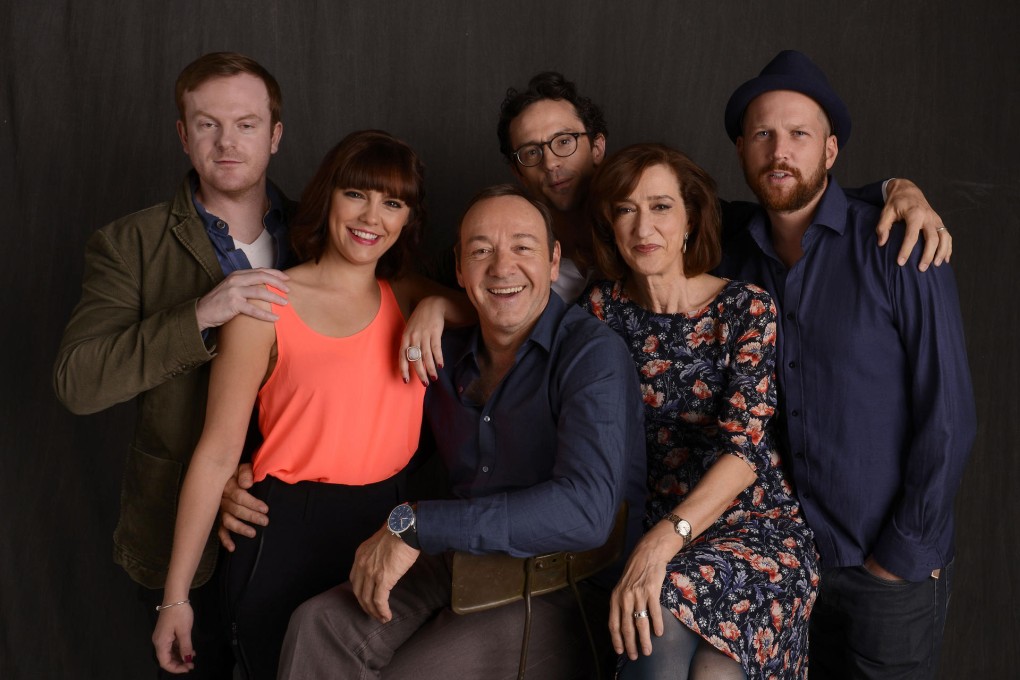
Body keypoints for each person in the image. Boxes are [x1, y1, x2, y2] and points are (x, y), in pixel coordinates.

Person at [274, 185, 647, 679]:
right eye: (480, 251)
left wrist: (416, 524)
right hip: (459, 560)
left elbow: (584, 512)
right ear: (459, 269)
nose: (501, 267)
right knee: (318, 624)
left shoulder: (591, 353)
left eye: (522, 247)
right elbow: (364, 433)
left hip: (562, 580)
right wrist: (255, 472)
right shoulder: (442, 351)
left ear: (554, 261)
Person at [150, 129, 472, 678]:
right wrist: (175, 598)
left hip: (387, 526)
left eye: (392, 203)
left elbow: (487, 307)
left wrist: (440, 307)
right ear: (327, 197)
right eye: (356, 194)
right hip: (285, 531)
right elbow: (217, 451)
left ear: (406, 220)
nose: (371, 216)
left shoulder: (411, 295)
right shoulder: (264, 303)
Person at [718, 50, 976, 679]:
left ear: (830, 152)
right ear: (741, 151)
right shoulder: (728, 253)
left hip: (886, 571)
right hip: (784, 569)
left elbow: (949, 415)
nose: (781, 150)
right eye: (763, 134)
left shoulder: (900, 244)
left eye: (800, 134)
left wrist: (900, 557)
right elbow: (649, 204)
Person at [53, 52, 295, 679]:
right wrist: (198, 316)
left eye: (245, 124)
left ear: (274, 134)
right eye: (207, 124)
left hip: (293, 525)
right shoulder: (128, 244)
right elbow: (78, 381)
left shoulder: (322, 231)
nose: (226, 142)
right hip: (179, 540)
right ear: (183, 135)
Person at [580, 144, 818, 679]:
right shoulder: (600, 311)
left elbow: (745, 450)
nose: (644, 225)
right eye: (626, 209)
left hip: (755, 525)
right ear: (611, 226)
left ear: (690, 219)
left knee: (656, 605)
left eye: (661, 206)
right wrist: (440, 304)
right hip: (652, 519)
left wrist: (663, 541)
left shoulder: (745, 308)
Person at [496, 72, 953, 302]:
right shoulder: (510, 253)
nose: (552, 162)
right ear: (518, 171)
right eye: (531, 152)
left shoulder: (702, 239)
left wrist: (892, 189)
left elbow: (788, 202)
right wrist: (439, 306)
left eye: (564, 142)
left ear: (597, 146)